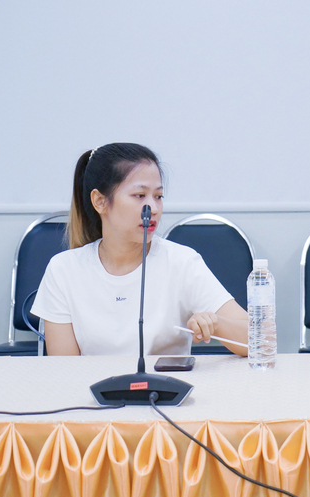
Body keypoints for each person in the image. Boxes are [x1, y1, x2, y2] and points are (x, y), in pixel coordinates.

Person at [31, 143, 249, 356]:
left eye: (158, 197)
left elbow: (259, 340)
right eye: (139, 196)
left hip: (166, 381)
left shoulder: (181, 262)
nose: (153, 208)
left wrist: (216, 323)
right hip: (91, 383)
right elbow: (64, 368)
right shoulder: (63, 269)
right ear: (100, 201)